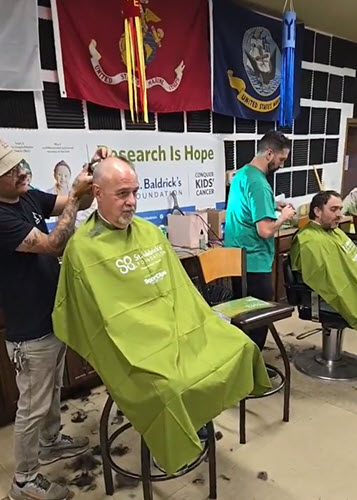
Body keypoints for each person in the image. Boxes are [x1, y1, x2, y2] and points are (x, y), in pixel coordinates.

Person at [52, 156, 271, 475]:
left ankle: (194, 419)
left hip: (177, 332)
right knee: (168, 389)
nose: (131, 202)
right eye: (122, 194)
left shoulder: (151, 234)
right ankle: (172, 441)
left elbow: (179, 292)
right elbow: (84, 320)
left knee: (238, 346)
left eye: (135, 192)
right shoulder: (82, 250)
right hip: (132, 351)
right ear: (97, 192)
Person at [0, 138, 110, 500]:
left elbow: (77, 201)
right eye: (11, 170)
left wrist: (90, 176)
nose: (21, 172)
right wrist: (76, 197)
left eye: (20, 164)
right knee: (31, 406)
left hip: (50, 318)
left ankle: (49, 442)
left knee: (50, 393)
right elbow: (53, 244)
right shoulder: (1, 217)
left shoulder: (28, 197)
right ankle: (24, 480)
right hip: (28, 330)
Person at [224, 131, 295, 351]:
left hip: (237, 259)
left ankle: (241, 366)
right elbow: (265, 230)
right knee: (257, 322)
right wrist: (283, 218)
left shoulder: (242, 174)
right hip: (255, 261)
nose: (281, 165)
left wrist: (273, 205)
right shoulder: (260, 183)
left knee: (242, 316)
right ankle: (254, 371)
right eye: (281, 159)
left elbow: (248, 207)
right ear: (269, 153)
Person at [290, 190, 357, 330]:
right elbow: (328, 280)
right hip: (326, 297)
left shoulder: (334, 231)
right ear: (317, 211)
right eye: (333, 209)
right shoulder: (308, 240)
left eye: (340, 209)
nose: (339, 214)